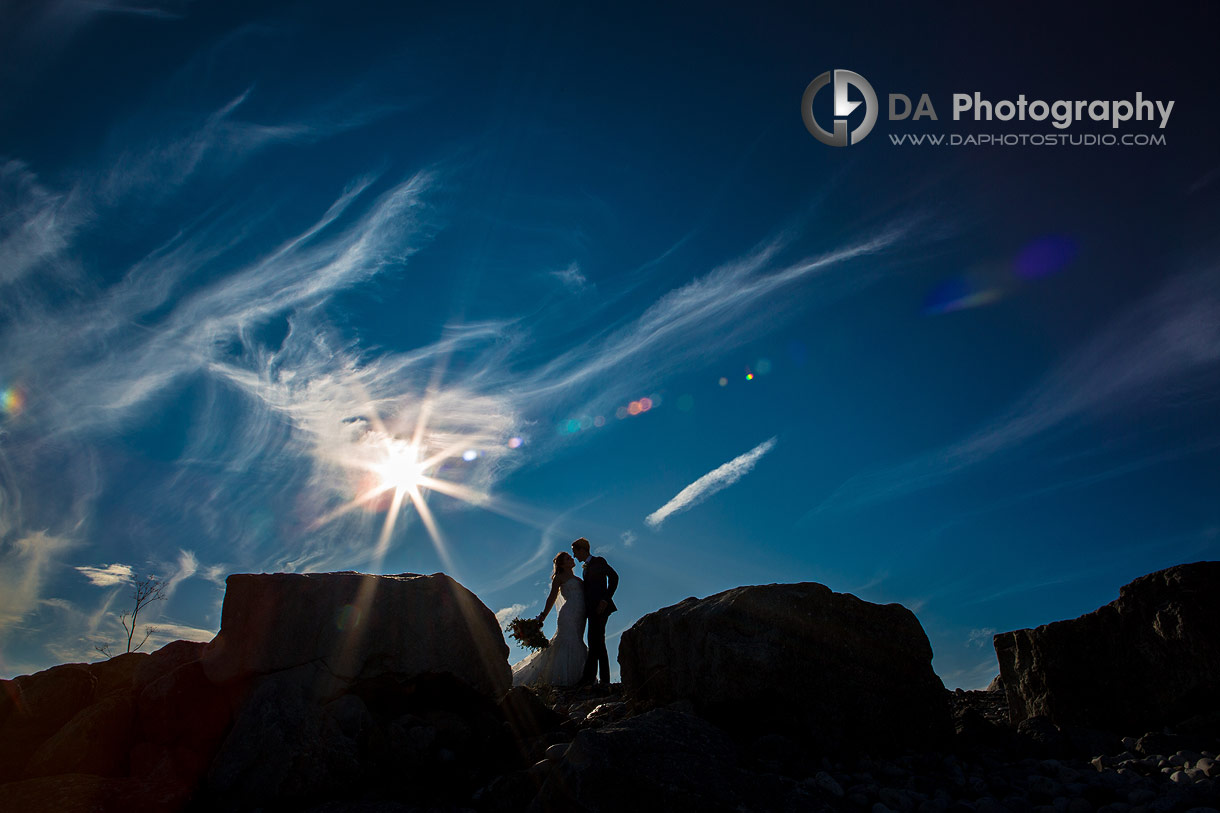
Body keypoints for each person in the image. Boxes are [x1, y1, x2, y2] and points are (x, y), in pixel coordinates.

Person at [511, 551, 588, 687]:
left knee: (578, 640)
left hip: (581, 616)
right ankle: (561, 680)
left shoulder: (578, 579)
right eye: (568, 558)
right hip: (568, 614)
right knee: (567, 642)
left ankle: (580, 678)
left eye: (571, 557)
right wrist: (542, 616)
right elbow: (552, 597)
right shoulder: (559, 577)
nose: (571, 559)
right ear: (562, 564)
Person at [571, 537, 617, 689]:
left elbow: (614, 577)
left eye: (575, 552)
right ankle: (604, 680)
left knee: (594, 640)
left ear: (583, 550)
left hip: (601, 608)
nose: (574, 556)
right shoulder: (584, 568)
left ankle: (588, 678)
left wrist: (605, 599)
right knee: (598, 642)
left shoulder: (598, 561)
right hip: (591, 610)